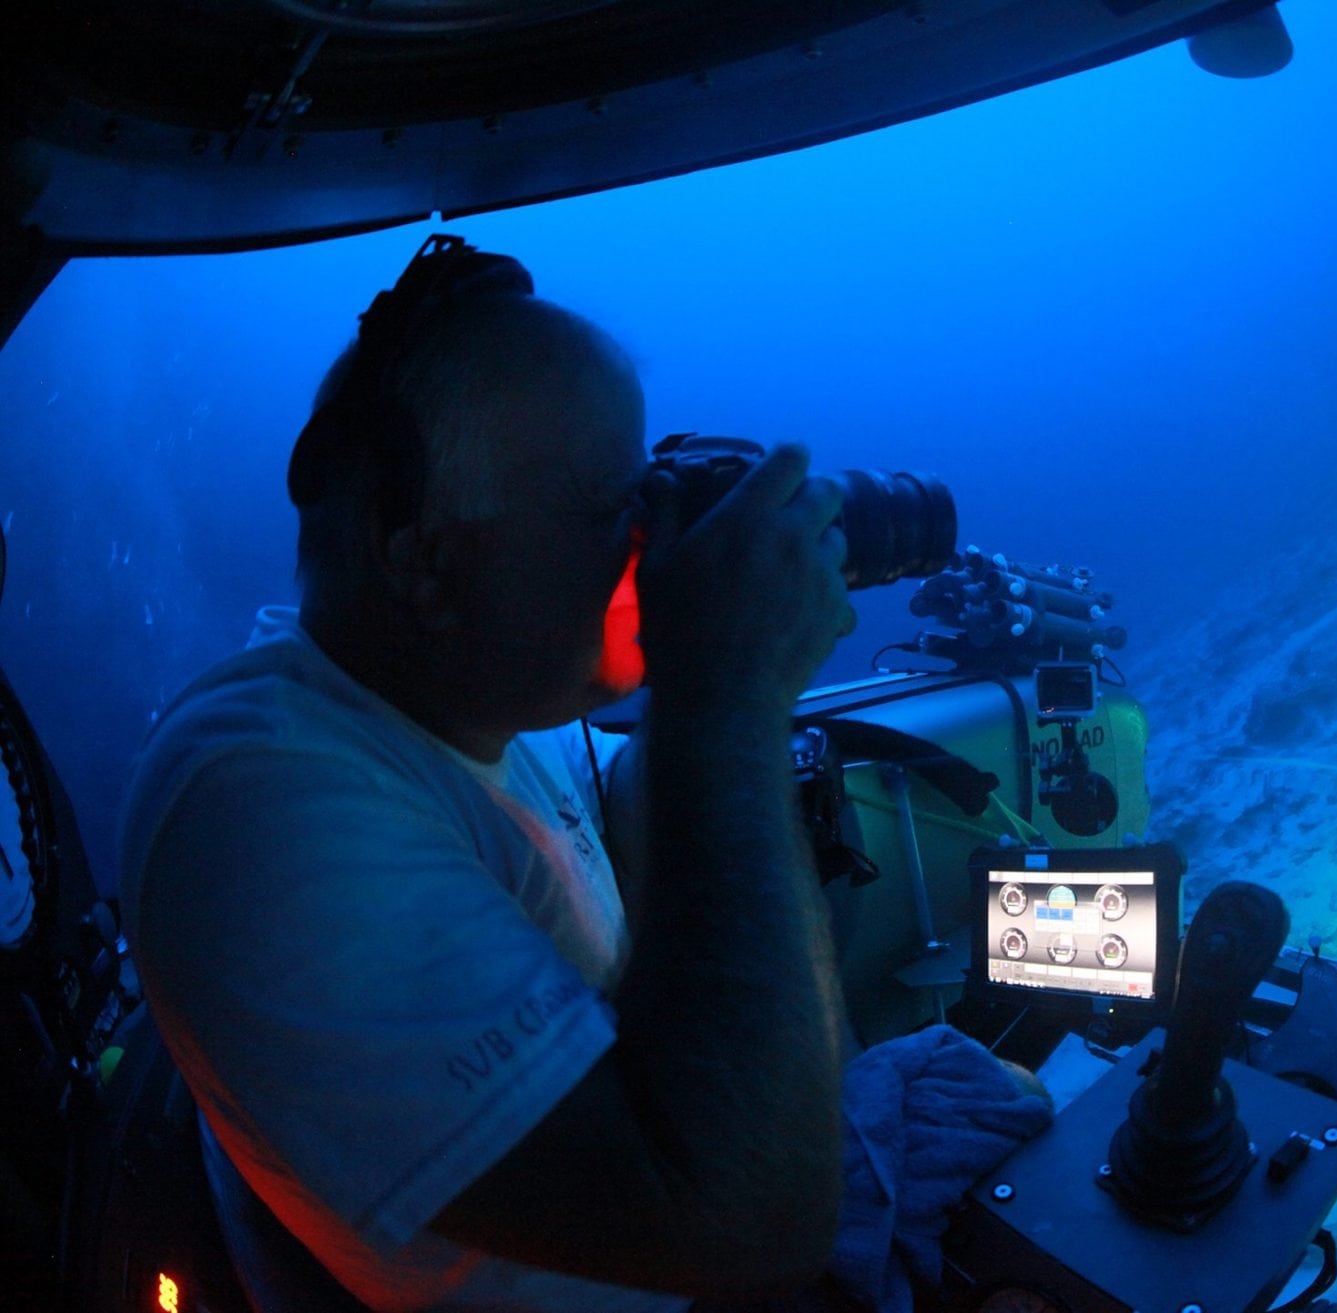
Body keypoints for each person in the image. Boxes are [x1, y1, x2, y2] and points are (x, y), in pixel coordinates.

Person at [119, 239, 863, 1311]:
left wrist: (715, 676)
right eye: (619, 507)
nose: (650, 543)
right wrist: (727, 697)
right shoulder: (256, 813)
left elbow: (643, 812)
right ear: (426, 560)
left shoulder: (481, 696)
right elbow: (756, 1221)